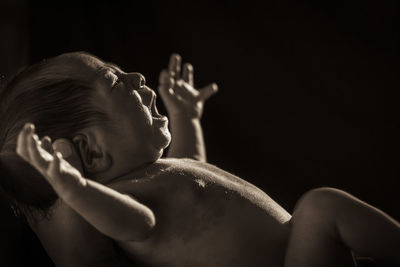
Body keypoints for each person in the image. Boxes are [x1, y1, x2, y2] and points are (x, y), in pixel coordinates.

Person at [0, 51, 399, 267]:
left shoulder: (159, 177)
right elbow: (138, 223)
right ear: (91, 152)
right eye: (114, 81)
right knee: (320, 207)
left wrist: (186, 118)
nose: (136, 78)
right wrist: (75, 189)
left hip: (297, 254)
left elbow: (195, 168)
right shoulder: (126, 200)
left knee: (319, 212)